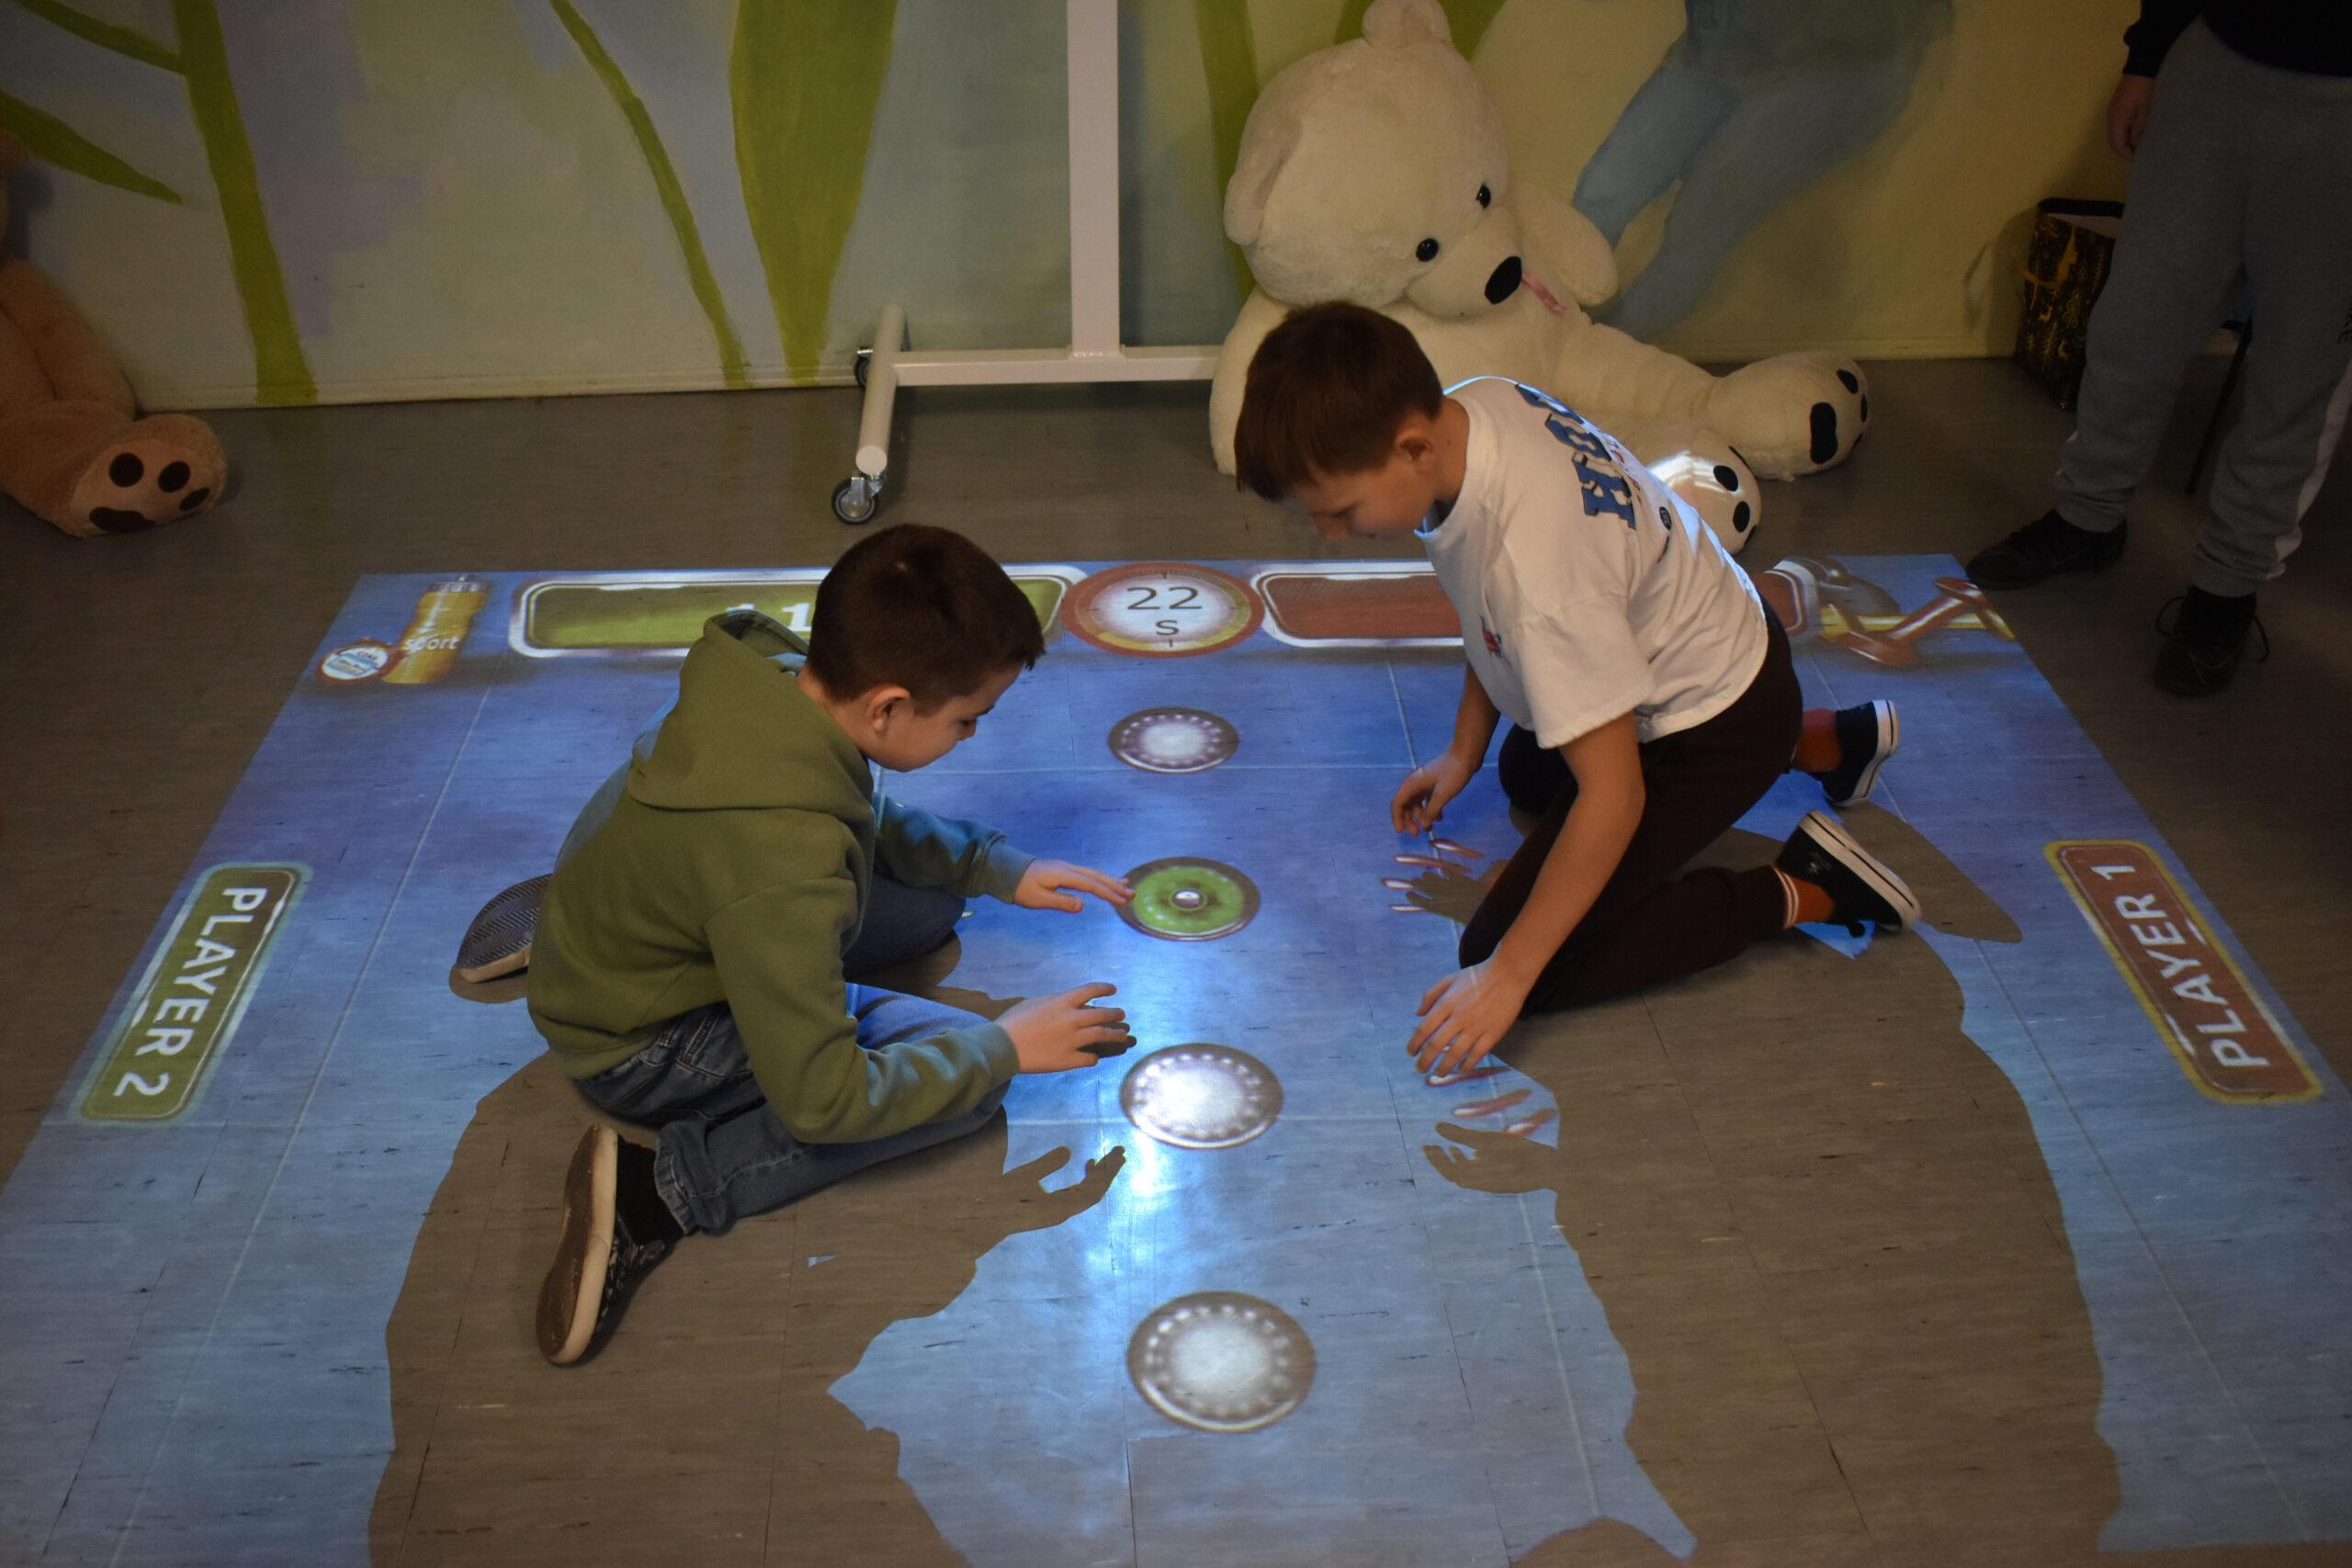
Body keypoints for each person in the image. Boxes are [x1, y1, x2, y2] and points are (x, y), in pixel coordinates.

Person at [1235, 302, 1919, 1077]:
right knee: (1526, 772)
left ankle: (1804, 887)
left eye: (1340, 511)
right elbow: (1488, 610)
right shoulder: (1477, 407)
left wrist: (1508, 976)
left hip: (1716, 723)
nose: (1331, 534)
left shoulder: (1539, 574)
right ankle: (1819, 742)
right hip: (1717, 635)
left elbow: (1615, 796)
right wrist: (1463, 752)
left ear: (1412, 447)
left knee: (1514, 952)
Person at [526, 524, 1134, 1366]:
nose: (972, 735)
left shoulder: (775, 683)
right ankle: (660, 1192)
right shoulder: (782, 863)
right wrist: (1002, 1047)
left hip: (638, 926)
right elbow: (824, 1101)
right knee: (966, 1087)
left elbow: (854, 814)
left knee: (930, 900)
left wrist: (992, 865)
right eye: (967, 719)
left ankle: (620, 910)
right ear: (886, 706)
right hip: (639, 1043)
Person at [1966, 2, 2352, 694]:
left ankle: (2228, 588)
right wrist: (2145, 59)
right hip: (2216, 64)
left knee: (2300, 377)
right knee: (2136, 327)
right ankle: (2087, 518)